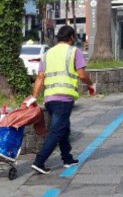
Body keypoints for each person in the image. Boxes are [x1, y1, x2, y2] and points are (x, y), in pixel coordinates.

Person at [30, 24, 95, 175]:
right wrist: (91, 84)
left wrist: (34, 97)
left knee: (64, 128)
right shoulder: (74, 51)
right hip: (64, 98)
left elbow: (40, 77)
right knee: (57, 130)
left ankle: (67, 158)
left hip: (50, 98)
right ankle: (39, 161)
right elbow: (82, 75)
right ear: (72, 37)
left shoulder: (47, 53)